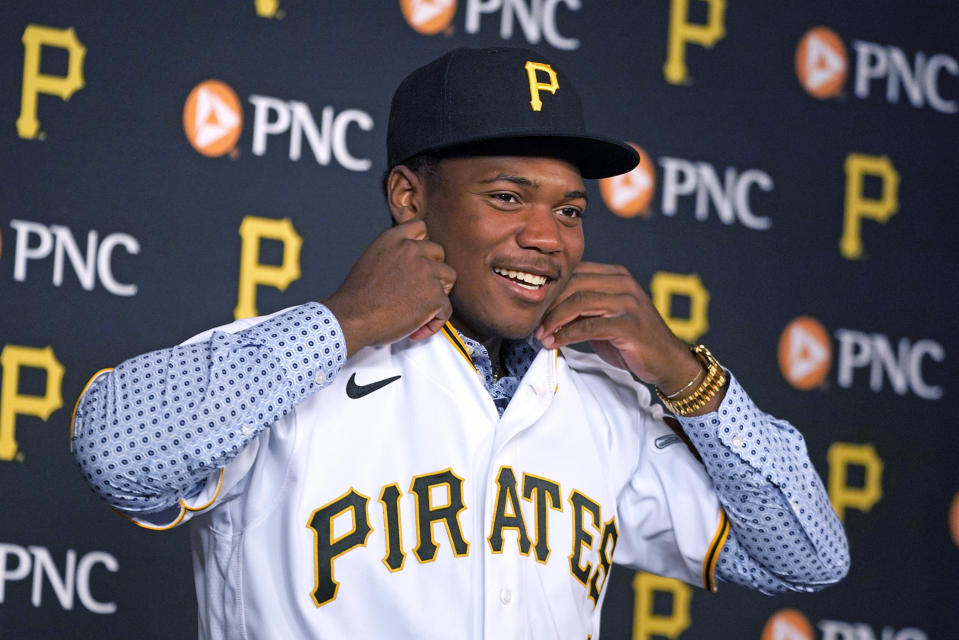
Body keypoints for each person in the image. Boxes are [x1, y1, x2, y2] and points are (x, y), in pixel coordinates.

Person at [71, 47, 848, 639]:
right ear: (410, 197)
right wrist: (345, 322)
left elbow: (807, 559)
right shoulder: (283, 366)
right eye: (507, 197)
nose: (546, 237)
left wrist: (684, 377)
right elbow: (115, 450)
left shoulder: (603, 400)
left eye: (571, 211)